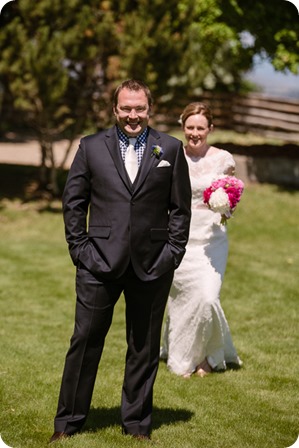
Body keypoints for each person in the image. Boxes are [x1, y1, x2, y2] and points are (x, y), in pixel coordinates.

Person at [49, 79, 191, 443]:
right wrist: (80, 250)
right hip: (98, 263)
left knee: (143, 348)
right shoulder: (91, 147)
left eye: (139, 108)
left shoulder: (170, 149)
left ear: (149, 108)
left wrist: (171, 254)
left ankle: (137, 424)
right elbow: (74, 202)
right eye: (126, 108)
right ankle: (68, 423)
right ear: (114, 109)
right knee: (84, 342)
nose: (132, 115)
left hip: (152, 264)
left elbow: (180, 209)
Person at [160, 102, 242, 378]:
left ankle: (210, 356)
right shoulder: (171, 155)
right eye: (190, 127)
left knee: (207, 296)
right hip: (179, 235)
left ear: (210, 129)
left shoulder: (223, 159)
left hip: (211, 239)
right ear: (183, 127)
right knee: (183, 297)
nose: (195, 133)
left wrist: (224, 204)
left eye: (200, 128)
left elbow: (232, 200)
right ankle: (184, 355)